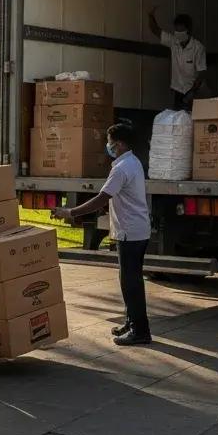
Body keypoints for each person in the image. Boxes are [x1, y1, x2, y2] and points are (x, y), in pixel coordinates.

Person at [52, 122, 152, 346]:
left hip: (130, 232)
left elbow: (101, 199)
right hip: (135, 229)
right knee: (128, 279)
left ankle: (140, 331)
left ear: (119, 143)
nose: (108, 146)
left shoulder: (121, 168)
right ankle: (131, 322)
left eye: (110, 142)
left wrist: (70, 212)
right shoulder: (131, 162)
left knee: (131, 282)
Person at [148, 7, 208, 110]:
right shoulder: (173, 42)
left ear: (189, 31)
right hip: (178, 93)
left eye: (181, 30)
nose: (178, 33)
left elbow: (201, 73)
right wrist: (150, 16)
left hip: (193, 93)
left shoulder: (198, 48)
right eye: (176, 30)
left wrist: (192, 92)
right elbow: (156, 30)